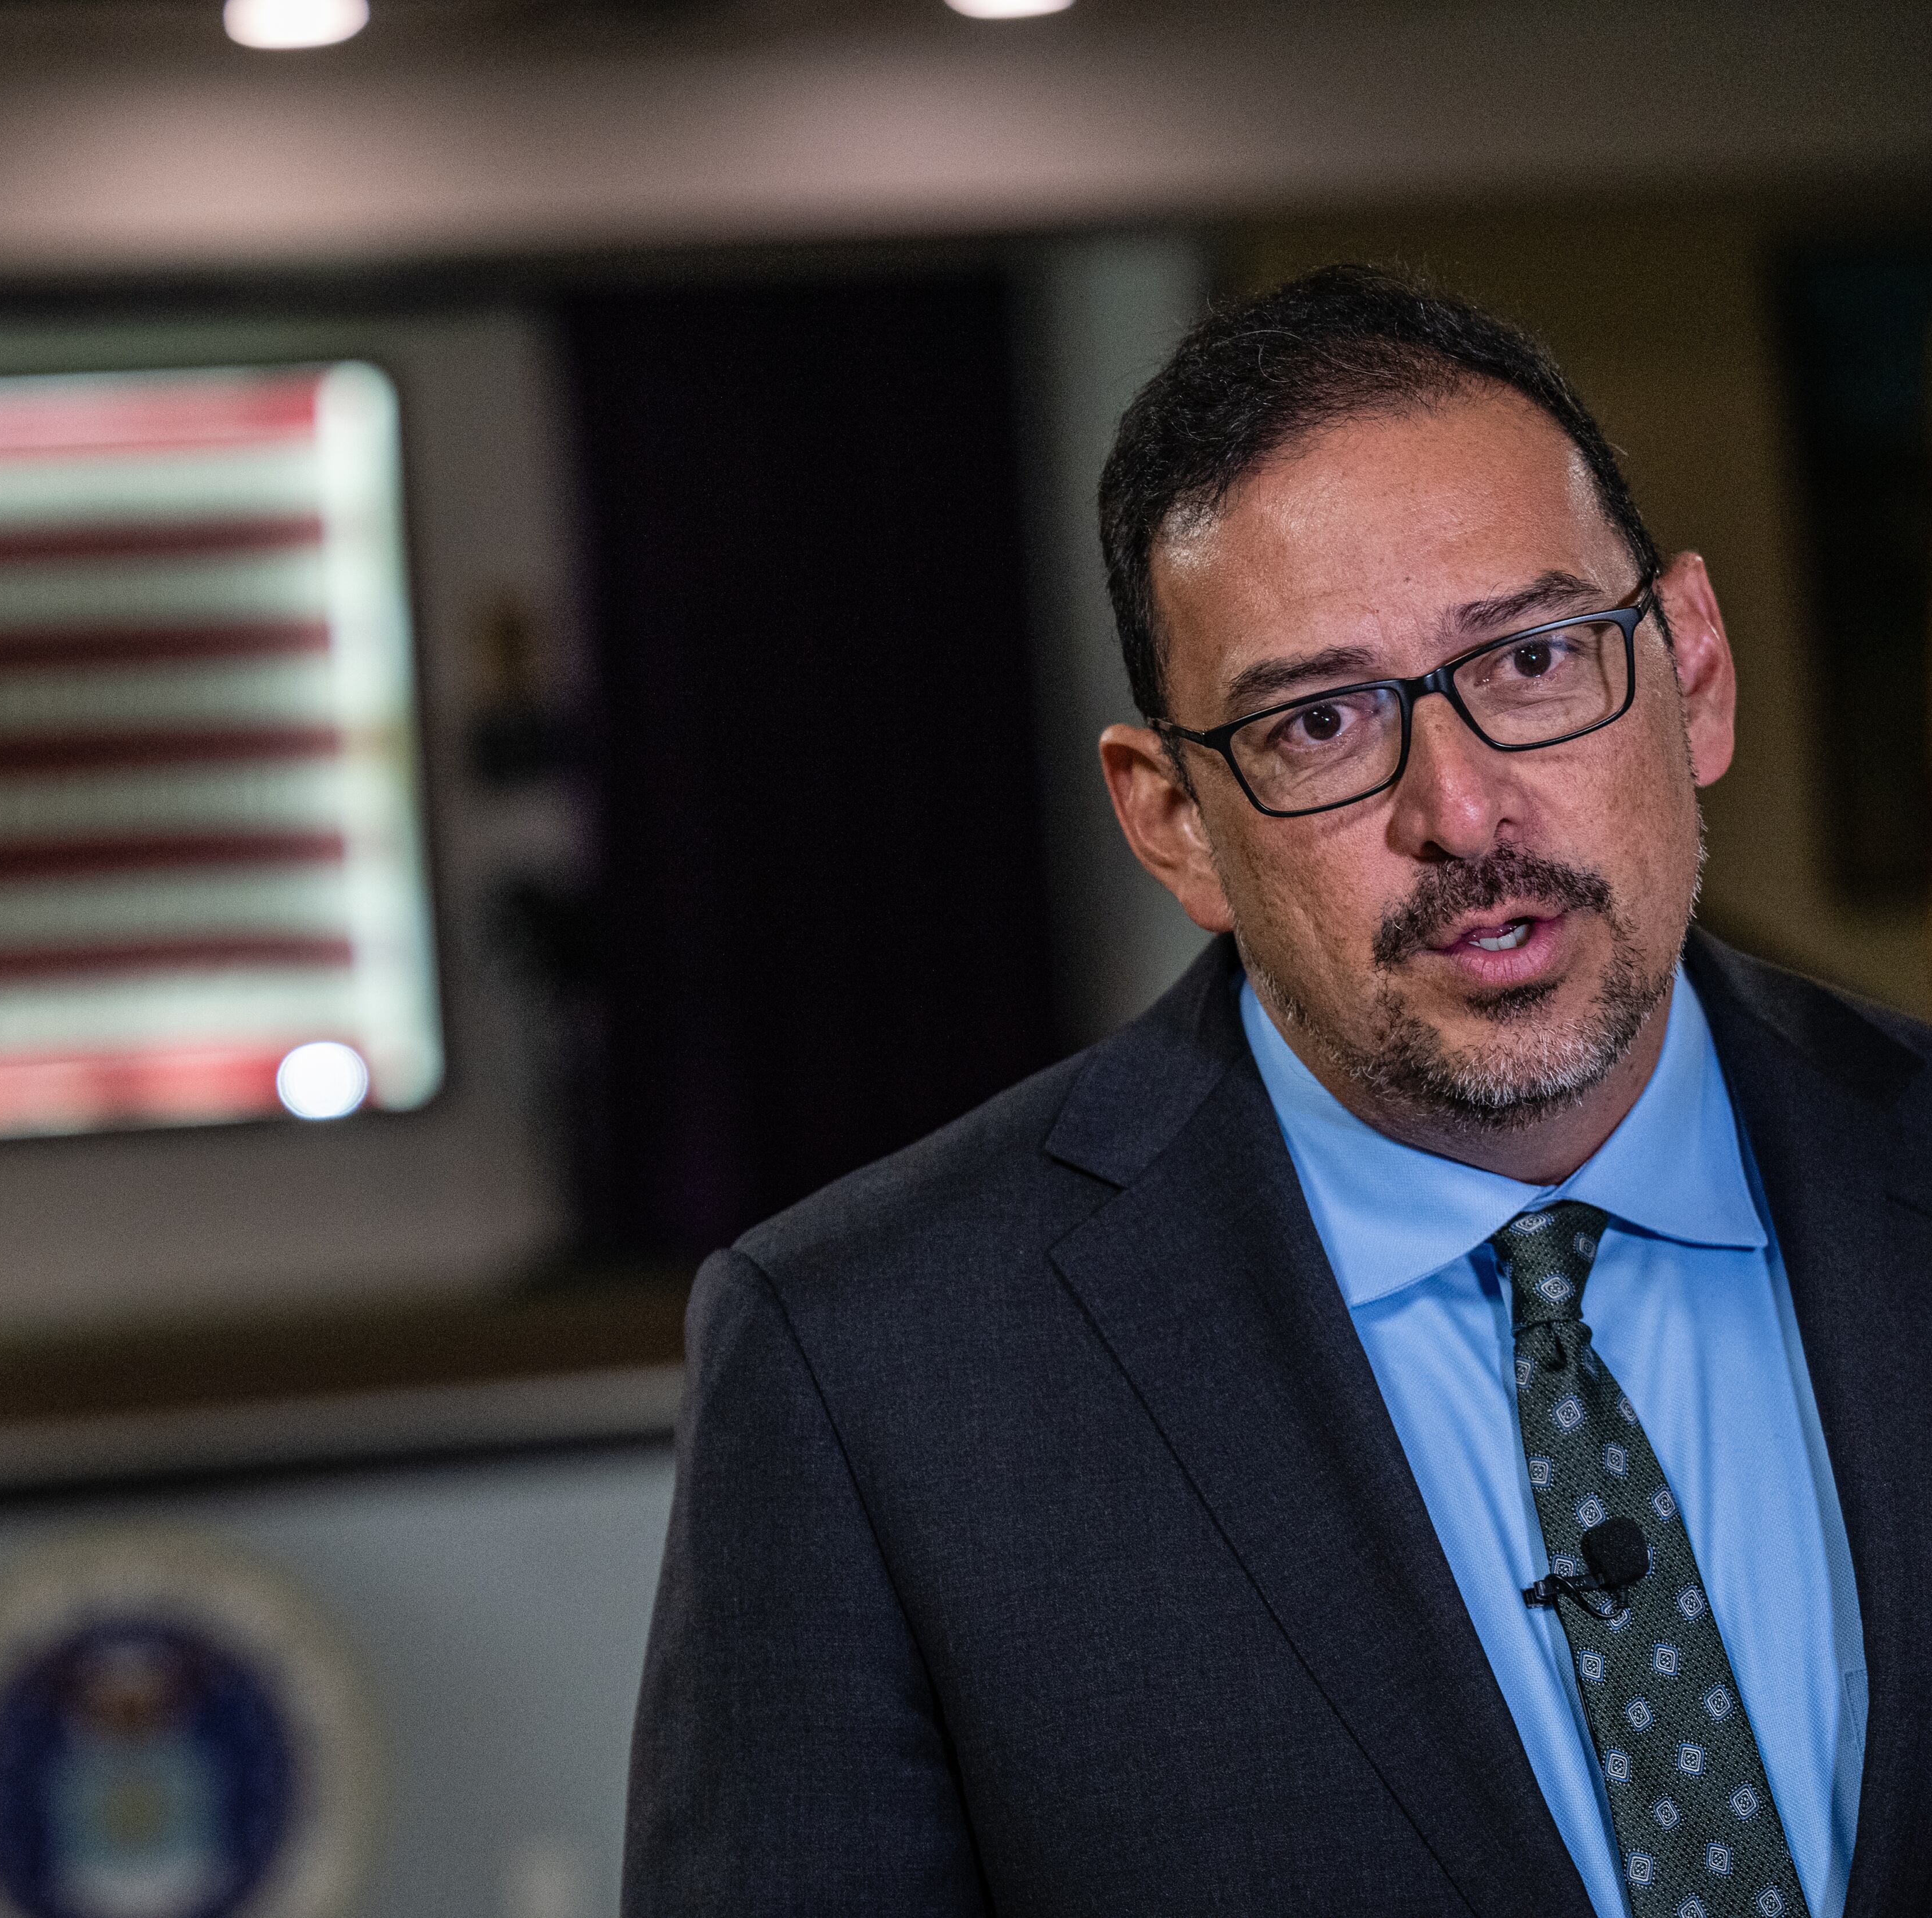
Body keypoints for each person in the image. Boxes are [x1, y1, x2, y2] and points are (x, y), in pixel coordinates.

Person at [624, 266, 1931, 1917]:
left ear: (1695, 670)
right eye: (1321, 721)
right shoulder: (866, 1368)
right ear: (1173, 817)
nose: (1462, 810)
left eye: (1532, 659)